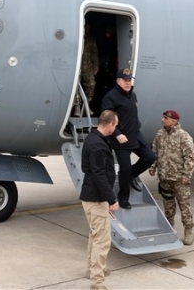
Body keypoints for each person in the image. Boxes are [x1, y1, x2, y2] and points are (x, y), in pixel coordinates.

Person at [101, 67, 155, 209]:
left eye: (130, 80)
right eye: (125, 80)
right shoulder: (110, 97)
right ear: (118, 81)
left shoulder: (133, 95)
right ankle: (123, 198)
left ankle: (132, 175)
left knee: (150, 157)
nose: (128, 83)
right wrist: (117, 134)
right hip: (121, 138)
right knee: (124, 168)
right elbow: (107, 119)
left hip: (135, 135)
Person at [80, 110, 120, 290]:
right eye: (116, 125)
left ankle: (92, 270)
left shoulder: (93, 138)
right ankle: (97, 283)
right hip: (96, 199)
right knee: (102, 241)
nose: (116, 128)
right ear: (110, 124)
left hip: (91, 196)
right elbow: (98, 174)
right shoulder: (97, 144)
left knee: (94, 235)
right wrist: (111, 199)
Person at [148, 110, 194, 245]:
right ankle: (169, 227)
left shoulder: (183, 136)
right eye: (163, 117)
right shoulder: (159, 135)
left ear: (173, 121)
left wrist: (186, 175)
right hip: (164, 177)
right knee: (168, 204)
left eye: (165, 118)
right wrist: (153, 167)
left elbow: (190, 157)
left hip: (180, 179)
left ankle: (188, 230)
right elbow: (154, 152)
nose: (162, 120)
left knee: (184, 205)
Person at [74, 23, 100, 116]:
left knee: (92, 84)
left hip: (88, 67)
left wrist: (96, 67)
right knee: (75, 87)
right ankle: (77, 107)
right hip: (77, 68)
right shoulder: (76, 39)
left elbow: (94, 54)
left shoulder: (91, 41)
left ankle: (87, 106)